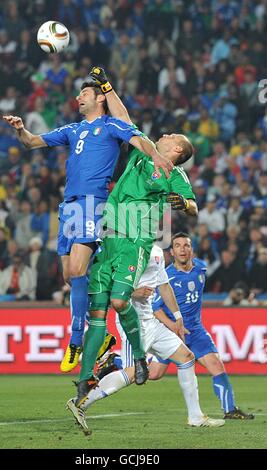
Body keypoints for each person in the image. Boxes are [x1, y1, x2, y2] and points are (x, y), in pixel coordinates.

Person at [3, 78, 172, 373]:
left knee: (79, 270)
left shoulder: (109, 126)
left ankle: (77, 339)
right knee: (70, 275)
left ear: (99, 99)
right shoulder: (72, 130)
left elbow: (136, 138)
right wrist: (20, 129)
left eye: (84, 93)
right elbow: (32, 142)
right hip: (68, 206)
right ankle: (103, 335)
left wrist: (156, 155)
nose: (78, 97)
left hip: (92, 204)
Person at [71, 76, 197, 405]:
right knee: (98, 308)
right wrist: (108, 87)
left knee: (117, 301)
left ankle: (138, 358)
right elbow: (124, 118)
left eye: (171, 136)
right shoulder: (144, 152)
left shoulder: (174, 172)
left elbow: (194, 206)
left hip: (135, 238)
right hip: (109, 234)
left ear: (178, 149)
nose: (165, 134)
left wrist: (184, 204)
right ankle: (85, 380)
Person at [66, 245, 225, 435]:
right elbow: (106, 289)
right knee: (132, 372)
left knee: (187, 357)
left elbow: (164, 285)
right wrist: (134, 293)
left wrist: (177, 316)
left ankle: (196, 416)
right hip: (131, 321)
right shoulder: (120, 249)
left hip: (151, 320)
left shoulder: (156, 251)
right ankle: (81, 403)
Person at [149, 232, 254, 420]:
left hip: (196, 331)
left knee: (216, 364)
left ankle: (230, 410)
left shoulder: (201, 269)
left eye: (186, 245)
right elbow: (155, 308)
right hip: (172, 333)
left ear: (192, 250)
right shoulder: (166, 277)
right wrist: (173, 326)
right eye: (178, 246)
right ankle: (116, 363)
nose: (183, 249)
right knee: (155, 374)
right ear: (172, 252)